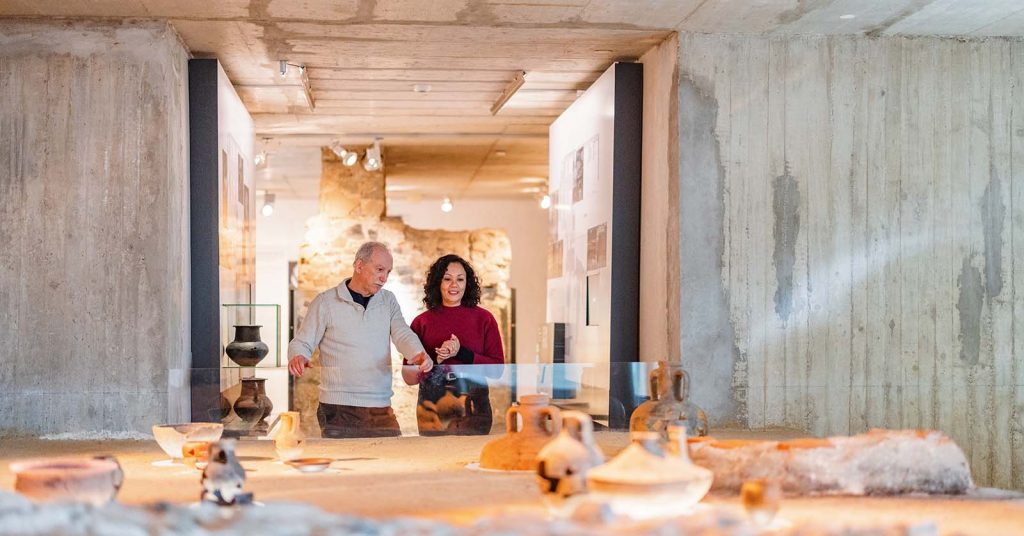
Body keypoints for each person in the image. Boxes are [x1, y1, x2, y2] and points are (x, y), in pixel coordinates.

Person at [287, 241, 432, 438]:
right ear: (359, 266)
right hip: (338, 408)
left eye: (388, 272)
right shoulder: (325, 302)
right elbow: (302, 342)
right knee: (345, 466)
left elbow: (402, 333)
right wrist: (298, 356)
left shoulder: (388, 300)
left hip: (380, 406)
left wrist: (418, 353)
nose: (384, 278)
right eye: (380, 269)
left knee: (389, 461)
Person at [403, 254, 504, 435]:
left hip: (474, 408)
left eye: (460, 279)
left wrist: (461, 353)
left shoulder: (484, 319)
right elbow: (409, 378)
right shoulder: (421, 322)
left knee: (471, 458)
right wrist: (434, 360)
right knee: (433, 460)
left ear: (468, 283)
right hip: (432, 409)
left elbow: (497, 371)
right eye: (447, 279)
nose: (454, 285)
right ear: (437, 283)